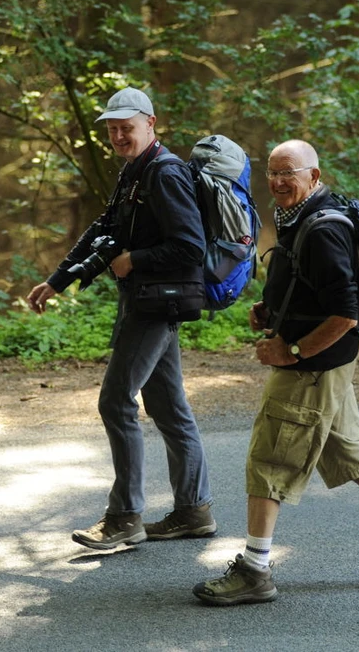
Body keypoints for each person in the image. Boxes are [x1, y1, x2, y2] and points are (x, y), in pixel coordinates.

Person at [192, 139, 359, 605]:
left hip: (312, 367)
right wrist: (271, 308)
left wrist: (291, 350)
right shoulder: (304, 214)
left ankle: (255, 570)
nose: (278, 182)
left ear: (313, 177)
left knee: (269, 461)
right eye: (273, 173)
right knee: (350, 455)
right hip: (327, 365)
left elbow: (345, 314)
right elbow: (311, 284)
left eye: (289, 173)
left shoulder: (322, 228)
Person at [27, 86, 217, 550]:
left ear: (151, 124)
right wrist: (58, 279)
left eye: (126, 127)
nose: (117, 135)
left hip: (156, 304)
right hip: (148, 300)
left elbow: (190, 247)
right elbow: (103, 230)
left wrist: (136, 259)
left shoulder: (165, 173)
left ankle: (124, 518)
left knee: (115, 401)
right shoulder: (135, 171)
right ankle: (194, 511)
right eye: (112, 129)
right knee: (169, 407)